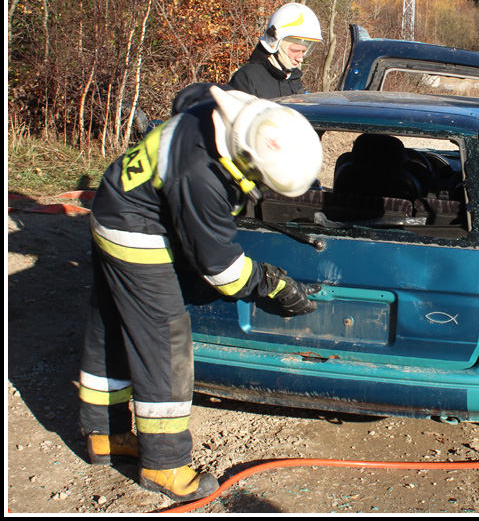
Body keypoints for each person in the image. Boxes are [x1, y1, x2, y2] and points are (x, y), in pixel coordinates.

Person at [78, 85, 324, 502]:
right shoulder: (201, 176)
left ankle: (105, 434)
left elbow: (184, 98)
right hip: (134, 229)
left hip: (115, 198)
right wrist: (274, 284)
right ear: (242, 157)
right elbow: (223, 272)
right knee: (164, 338)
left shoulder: (233, 112)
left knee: (112, 323)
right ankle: (164, 465)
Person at [229, 3, 322, 98]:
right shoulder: (247, 78)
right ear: (275, 43)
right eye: (294, 51)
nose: (300, 59)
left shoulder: (293, 78)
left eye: (303, 52)